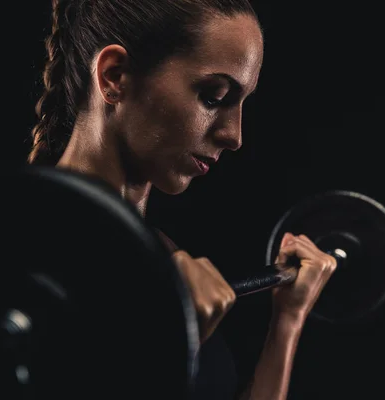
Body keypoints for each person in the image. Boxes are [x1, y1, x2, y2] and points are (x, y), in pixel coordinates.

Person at [27, 0, 337, 399]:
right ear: (114, 76)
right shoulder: (25, 249)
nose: (235, 135)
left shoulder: (158, 254)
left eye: (242, 102)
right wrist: (158, 357)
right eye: (213, 96)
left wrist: (288, 319)